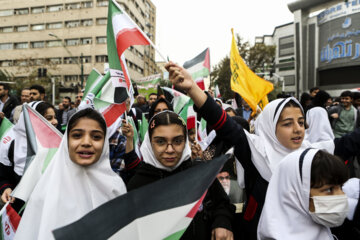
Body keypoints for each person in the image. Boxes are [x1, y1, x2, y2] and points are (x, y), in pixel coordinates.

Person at [165, 61, 335, 239]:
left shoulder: (316, 156)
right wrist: (192, 88)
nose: (297, 129)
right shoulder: (258, 153)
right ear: (271, 128)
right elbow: (225, 125)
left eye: (301, 122)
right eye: (287, 124)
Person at [14, 108, 127, 240]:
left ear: (105, 143)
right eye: (77, 135)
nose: (86, 143)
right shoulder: (45, 191)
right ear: (66, 141)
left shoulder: (116, 188)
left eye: (96, 137)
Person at [126, 111, 235, 239]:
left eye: (177, 141)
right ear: (150, 143)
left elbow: (222, 204)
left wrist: (222, 223)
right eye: (161, 142)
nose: (170, 150)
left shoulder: (201, 173)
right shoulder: (137, 185)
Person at [257, 149, 348, 239]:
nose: (341, 195)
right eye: (329, 190)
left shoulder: (322, 229)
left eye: (341, 187)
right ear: (296, 193)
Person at [0, 102, 59, 203]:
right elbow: (2, 175)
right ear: (31, 120)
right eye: (49, 118)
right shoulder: (12, 145)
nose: (55, 121)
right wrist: (6, 188)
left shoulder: (61, 143)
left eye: (55, 117)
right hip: (20, 206)